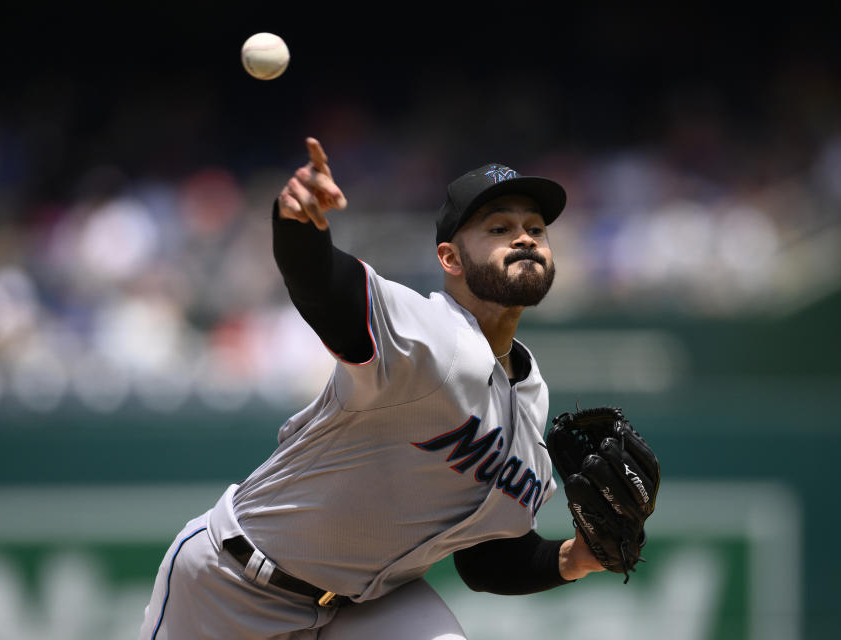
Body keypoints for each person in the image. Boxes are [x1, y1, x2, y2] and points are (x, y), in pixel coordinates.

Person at [138, 138, 605, 640]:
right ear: (450, 259)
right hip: (234, 587)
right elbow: (325, 287)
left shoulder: (531, 396)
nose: (525, 238)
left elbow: (485, 556)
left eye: (536, 228)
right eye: (499, 228)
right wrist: (298, 225)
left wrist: (574, 558)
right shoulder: (429, 333)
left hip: (367, 608)